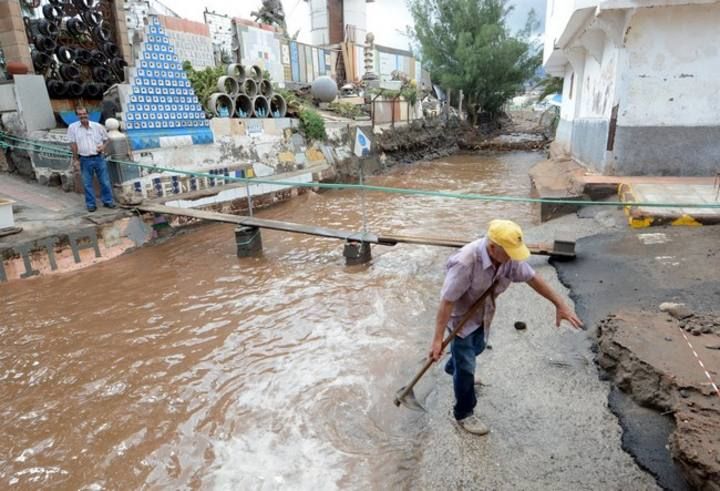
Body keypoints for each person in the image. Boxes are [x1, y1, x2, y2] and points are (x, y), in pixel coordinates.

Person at [429, 219, 583, 435]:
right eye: (509, 252)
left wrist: (560, 305)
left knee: (478, 348)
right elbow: (447, 301)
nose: (513, 257)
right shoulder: (466, 261)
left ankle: (452, 367)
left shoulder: (507, 257)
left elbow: (533, 278)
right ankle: (463, 413)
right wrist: (437, 340)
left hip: (484, 315)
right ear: (492, 248)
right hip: (460, 321)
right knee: (466, 368)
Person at [67, 107, 115, 212]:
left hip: (99, 158)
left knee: (105, 181)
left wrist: (103, 147)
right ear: (77, 116)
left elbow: (107, 140)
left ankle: (108, 201)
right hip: (84, 159)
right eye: (80, 114)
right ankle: (91, 204)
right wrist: (75, 159)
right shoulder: (72, 128)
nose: (83, 116)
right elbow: (73, 144)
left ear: (88, 114)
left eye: (84, 113)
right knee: (87, 183)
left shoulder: (97, 126)